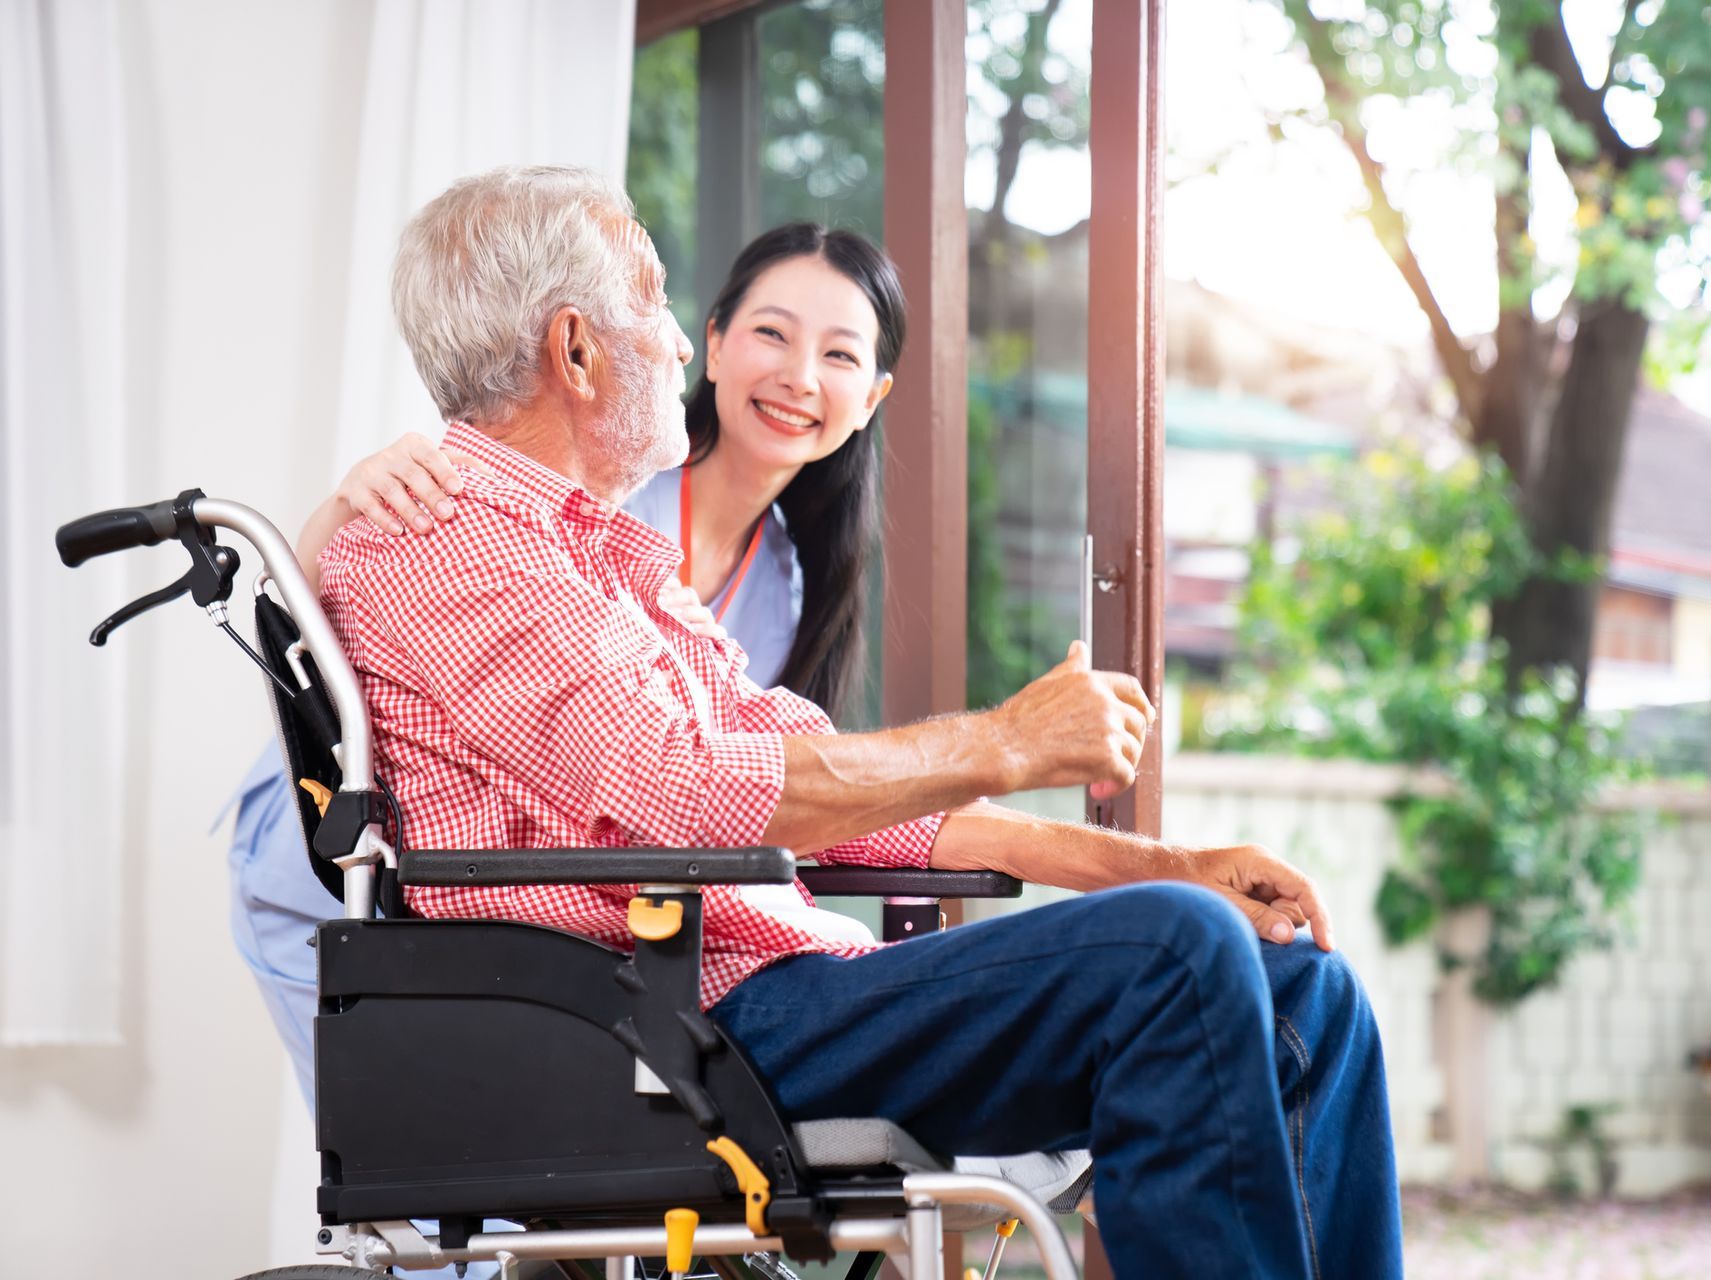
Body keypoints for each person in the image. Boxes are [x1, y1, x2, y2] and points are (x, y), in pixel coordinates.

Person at [321, 164, 1403, 1279]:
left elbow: (824, 790)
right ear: (576, 350)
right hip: (673, 1024)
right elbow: (688, 791)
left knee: (1306, 994)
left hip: (759, 991)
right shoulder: (450, 542)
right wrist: (1010, 739)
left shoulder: (599, 557)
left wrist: (1168, 859)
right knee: (1177, 950)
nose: (679, 348)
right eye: (651, 303)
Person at [227, 223, 903, 1110]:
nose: (799, 376)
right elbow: (322, 607)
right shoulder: (608, 479)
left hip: (555, 922)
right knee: (448, 1208)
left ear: (875, 394)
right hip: (356, 866)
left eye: (840, 354)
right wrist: (341, 503)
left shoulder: (785, 578)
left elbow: (725, 791)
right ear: (710, 341)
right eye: (772, 334)